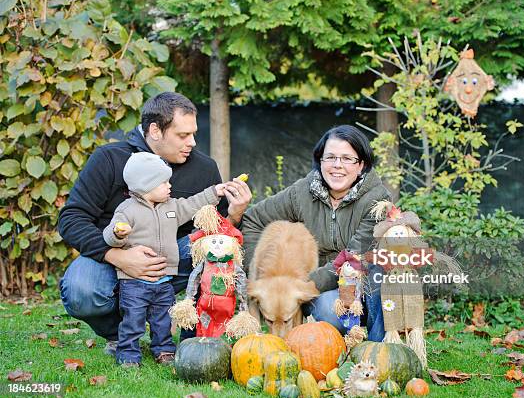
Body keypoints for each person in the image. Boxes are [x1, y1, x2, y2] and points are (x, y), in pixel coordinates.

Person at [58, 92, 252, 355]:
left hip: (172, 261)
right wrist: (117, 256)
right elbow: (71, 220)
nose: (192, 142)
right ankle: (121, 333)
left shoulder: (204, 168)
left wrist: (235, 214)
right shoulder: (109, 159)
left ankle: (196, 329)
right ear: (155, 131)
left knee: (211, 251)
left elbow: (218, 236)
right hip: (114, 262)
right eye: (183, 135)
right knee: (81, 289)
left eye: (193, 134)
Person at [242, 124, 390, 341]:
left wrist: (305, 284)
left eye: (347, 159)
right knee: (325, 310)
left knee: (381, 267)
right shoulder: (303, 192)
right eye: (330, 157)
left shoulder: (377, 199)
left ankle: (378, 346)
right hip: (328, 292)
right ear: (320, 161)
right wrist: (261, 274)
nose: (337, 165)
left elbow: (355, 256)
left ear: (362, 165)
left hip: (365, 286)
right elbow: (253, 218)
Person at [103, 152, 226, 367]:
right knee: (133, 320)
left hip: (163, 281)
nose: (170, 186)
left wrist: (214, 192)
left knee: (163, 319)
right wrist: (117, 234)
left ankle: (164, 350)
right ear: (145, 185)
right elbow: (108, 235)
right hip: (134, 283)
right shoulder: (127, 210)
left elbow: (192, 204)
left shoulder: (171, 207)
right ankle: (128, 354)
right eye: (163, 182)